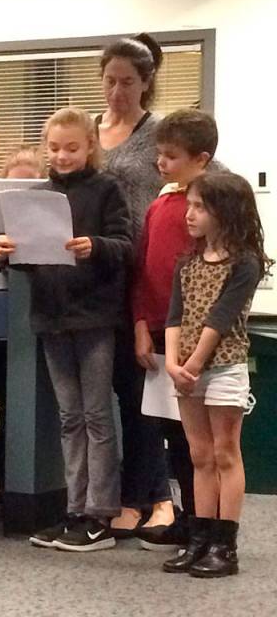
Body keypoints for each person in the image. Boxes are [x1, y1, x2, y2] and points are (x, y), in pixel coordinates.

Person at [0, 107, 131, 552]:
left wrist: (96, 246)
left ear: (90, 146)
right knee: (69, 417)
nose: (62, 155)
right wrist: (6, 252)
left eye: (72, 147)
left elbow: (127, 246)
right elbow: (30, 258)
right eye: (54, 148)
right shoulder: (40, 194)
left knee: (96, 416)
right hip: (52, 317)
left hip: (94, 318)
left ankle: (100, 514)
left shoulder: (107, 189)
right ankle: (75, 509)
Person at [161, 172, 269, 578]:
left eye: (199, 207)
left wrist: (192, 365)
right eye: (189, 205)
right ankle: (199, 538)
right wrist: (172, 363)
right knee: (199, 455)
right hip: (185, 372)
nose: (189, 214)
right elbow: (174, 317)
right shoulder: (187, 263)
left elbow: (220, 320)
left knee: (225, 453)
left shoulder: (245, 263)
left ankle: (225, 544)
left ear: (225, 212)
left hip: (222, 367)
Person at [97, 33, 175, 536]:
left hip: (141, 275)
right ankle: (140, 496)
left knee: (139, 391)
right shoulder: (87, 130)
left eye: (127, 82)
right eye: (110, 80)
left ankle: (151, 497)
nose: (117, 91)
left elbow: (209, 176)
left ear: (146, 82)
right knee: (106, 394)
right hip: (94, 276)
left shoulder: (159, 131)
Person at [131, 109, 218, 550]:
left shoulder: (210, 211)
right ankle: (188, 517)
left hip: (197, 339)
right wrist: (140, 325)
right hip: (160, 333)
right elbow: (144, 270)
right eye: (159, 154)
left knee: (198, 439)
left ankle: (209, 524)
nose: (160, 163)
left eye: (171, 156)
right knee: (171, 432)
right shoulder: (159, 204)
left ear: (201, 160)